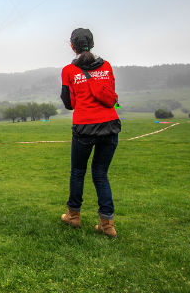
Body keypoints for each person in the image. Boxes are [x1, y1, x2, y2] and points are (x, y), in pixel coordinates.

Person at [59, 28, 121, 238]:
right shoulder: (106, 65)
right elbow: (110, 94)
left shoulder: (68, 70)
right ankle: (107, 224)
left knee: (78, 172)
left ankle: (73, 216)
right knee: (101, 174)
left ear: (72, 46)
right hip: (110, 126)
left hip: (84, 127)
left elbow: (69, 103)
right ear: (92, 44)